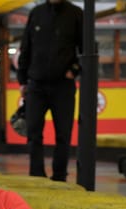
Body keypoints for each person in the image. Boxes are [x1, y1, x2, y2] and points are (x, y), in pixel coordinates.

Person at [16, 0, 83, 183]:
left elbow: (86, 48)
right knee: (33, 133)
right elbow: (26, 47)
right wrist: (22, 82)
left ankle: (59, 176)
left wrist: (75, 70)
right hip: (36, 85)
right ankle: (37, 176)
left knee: (63, 134)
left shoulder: (75, 13)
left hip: (63, 84)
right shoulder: (36, 13)